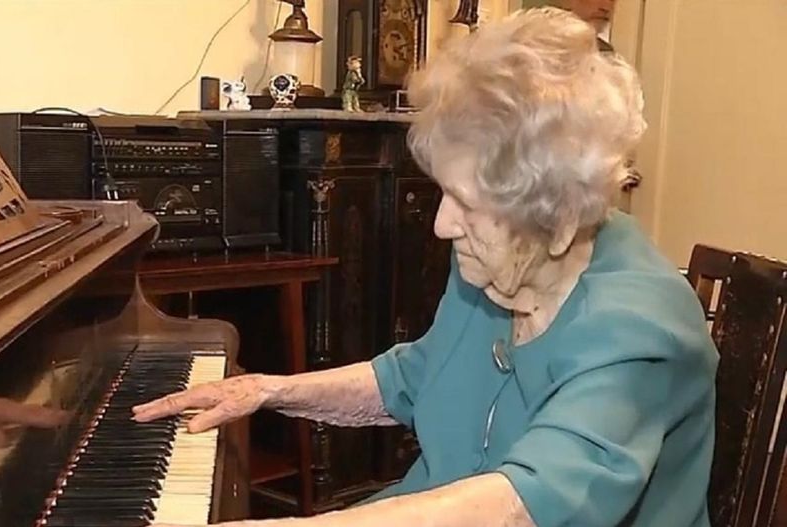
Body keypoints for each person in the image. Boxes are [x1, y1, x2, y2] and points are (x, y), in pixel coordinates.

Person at [133, 7, 718, 527]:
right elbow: (413, 377)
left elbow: (524, 505)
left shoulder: (640, 330)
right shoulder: (495, 265)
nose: (441, 225)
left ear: (556, 218)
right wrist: (267, 390)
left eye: (467, 202)